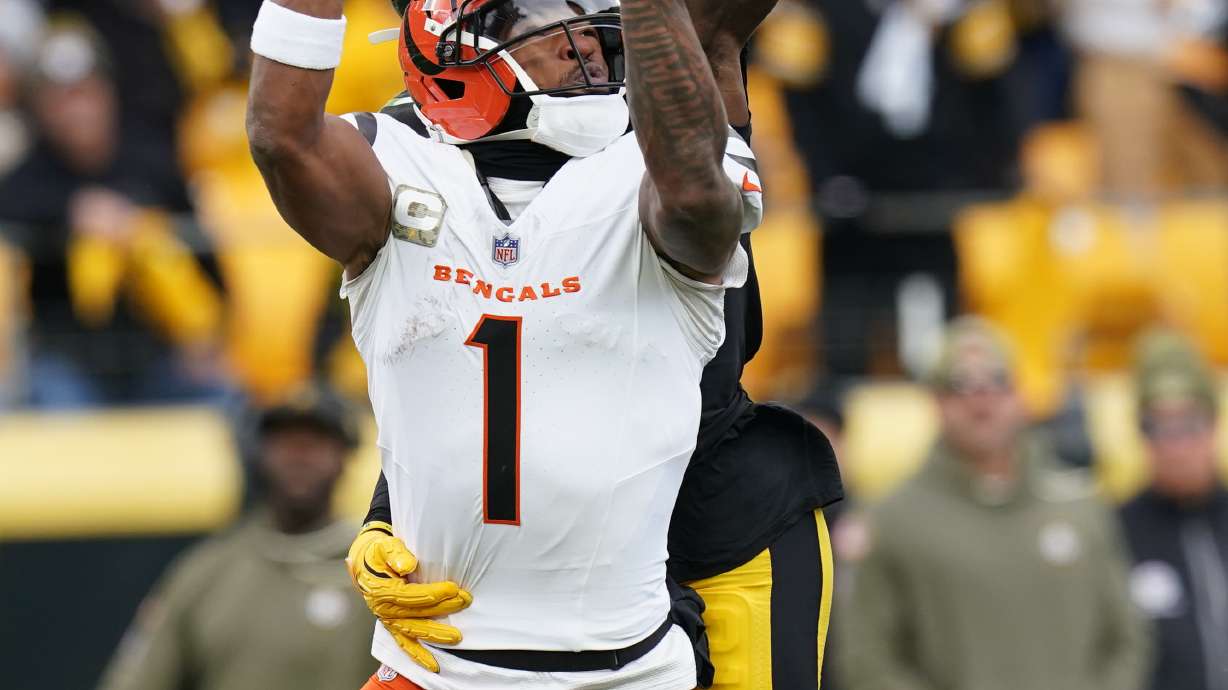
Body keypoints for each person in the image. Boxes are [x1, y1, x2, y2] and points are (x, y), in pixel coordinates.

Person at [247, 0, 790, 687]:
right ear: (451, 54)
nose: (586, 38)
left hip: (656, 627)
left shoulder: (647, 168)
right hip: (430, 670)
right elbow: (280, 135)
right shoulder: (398, 163)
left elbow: (689, 182)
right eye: (537, 11)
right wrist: (389, 510)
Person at [837, 317, 1149, 690]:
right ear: (936, 402)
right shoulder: (892, 519)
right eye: (960, 385)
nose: (981, 397)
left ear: (1019, 395)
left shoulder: (1080, 504)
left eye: (996, 381)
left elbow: (1127, 640)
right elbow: (867, 657)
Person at [96, 386, 377, 690]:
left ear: (345, 456)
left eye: (314, 444)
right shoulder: (208, 571)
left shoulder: (376, 571)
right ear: (257, 453)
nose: (299, 457)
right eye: (286, 443)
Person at [1120, 331, 1228, 690]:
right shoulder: (1116, 532)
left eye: (1189, 425)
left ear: (1213, 424)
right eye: (1157, 428)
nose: (1175, 446)